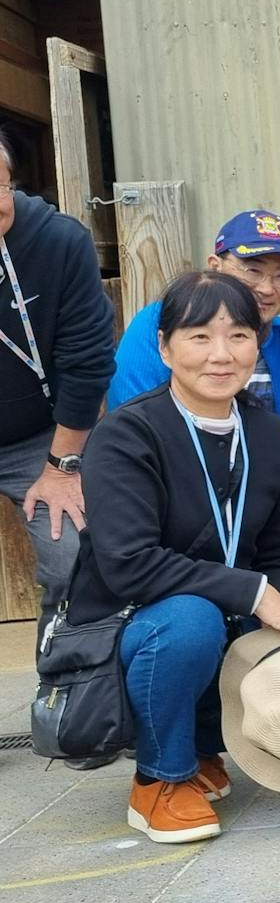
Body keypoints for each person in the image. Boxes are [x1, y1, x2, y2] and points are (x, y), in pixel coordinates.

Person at [72, 271, 280, 843]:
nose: (221, 355)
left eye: (238, 336)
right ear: (164, 347)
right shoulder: (127, 434)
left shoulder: (268, 435)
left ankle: (205, 746)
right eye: (199, 337)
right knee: (193, 618)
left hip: (216, 608)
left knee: (277, 607)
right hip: (125, 624)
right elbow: (130, 563)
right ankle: (159, 778)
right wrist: (257, 595)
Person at [108, 210, 280, 508]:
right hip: (176, 497)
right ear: (214, 266)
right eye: (252, 270)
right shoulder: (159, 324)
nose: (266, 288)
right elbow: (135, 422)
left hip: (270, 500)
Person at [0, 132, 116, 626]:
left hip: (41, 437)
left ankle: (68, 683)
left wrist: (62, 468)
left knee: (75, 554)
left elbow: (88, 364)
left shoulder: (58, 242)